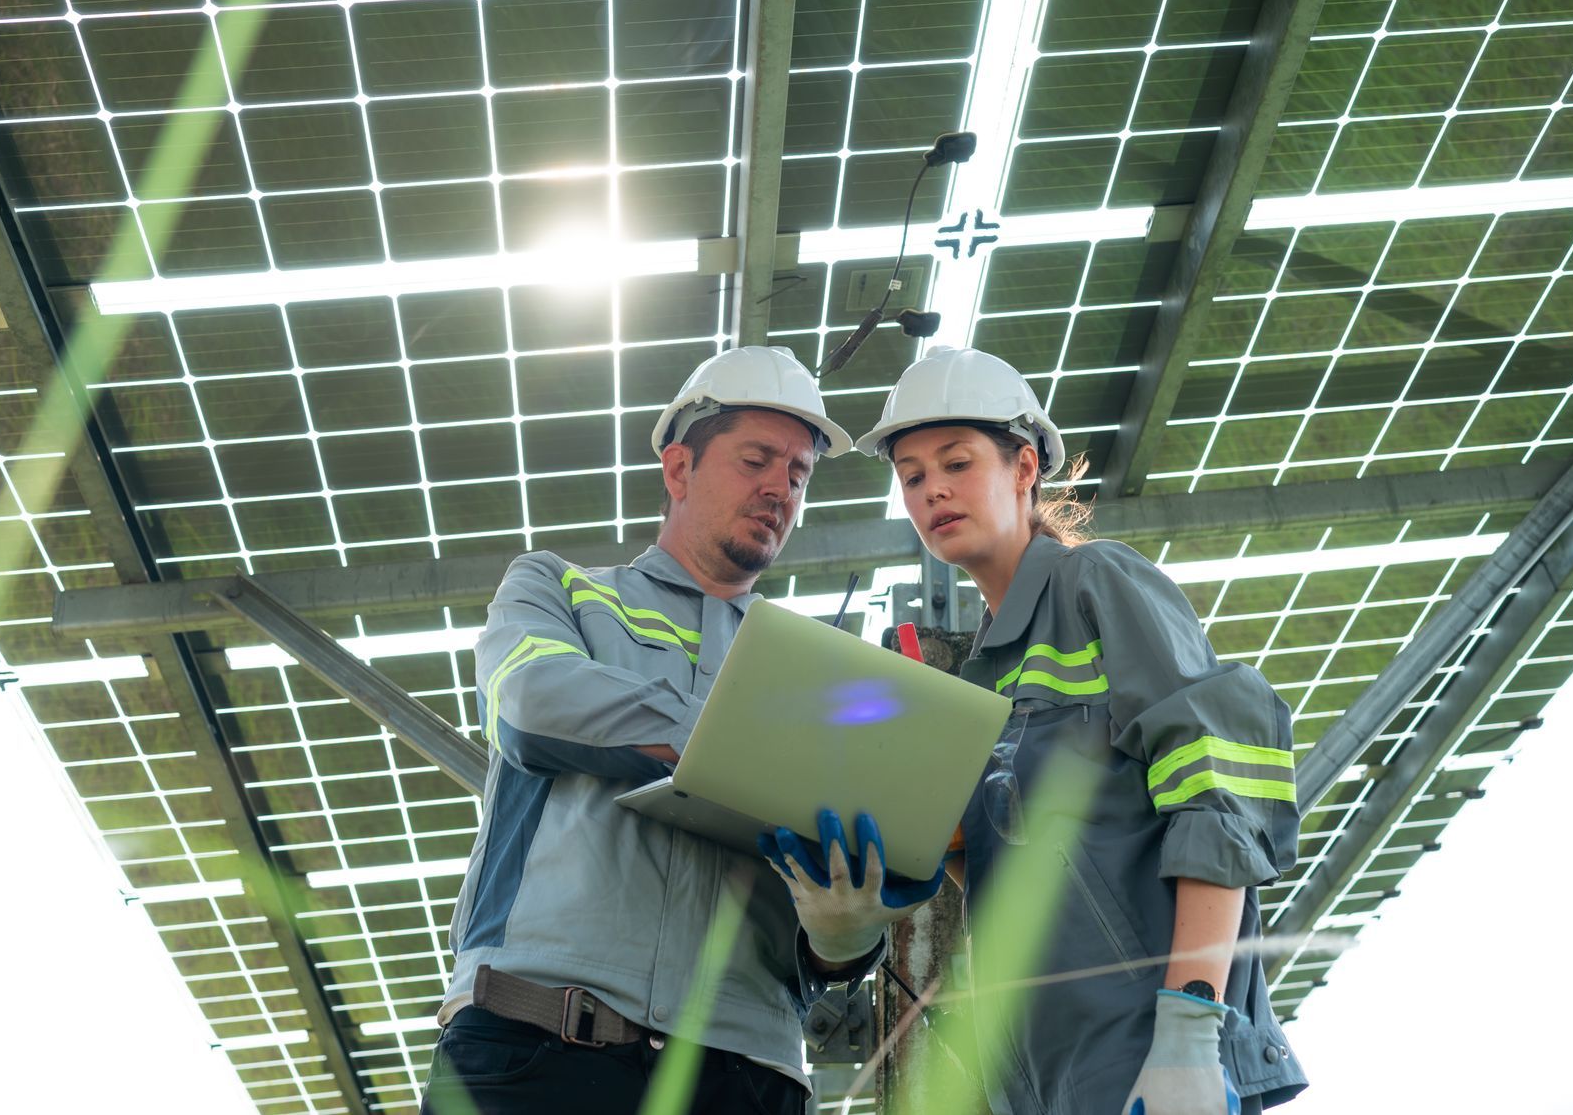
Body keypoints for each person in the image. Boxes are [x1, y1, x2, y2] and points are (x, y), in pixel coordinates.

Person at [769, 347, 1307, 1114]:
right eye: (913, 475)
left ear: (1025, 468)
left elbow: (1220, 792)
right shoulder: (976, 681)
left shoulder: (1098, 585)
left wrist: (1190, 1024)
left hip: (1149, 1052)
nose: (933, 491)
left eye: (956, 462)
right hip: (1042, 1079)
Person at [424, 344, 904, 1115]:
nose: (779, 487)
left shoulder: (828, 676)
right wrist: (745, 746)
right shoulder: (556, 588)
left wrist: (846, 937)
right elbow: (532, 701)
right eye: (756, 460)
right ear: (679, 468)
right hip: (540, 1047)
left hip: (746, 1075)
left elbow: (846, 864)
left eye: (798, 473)